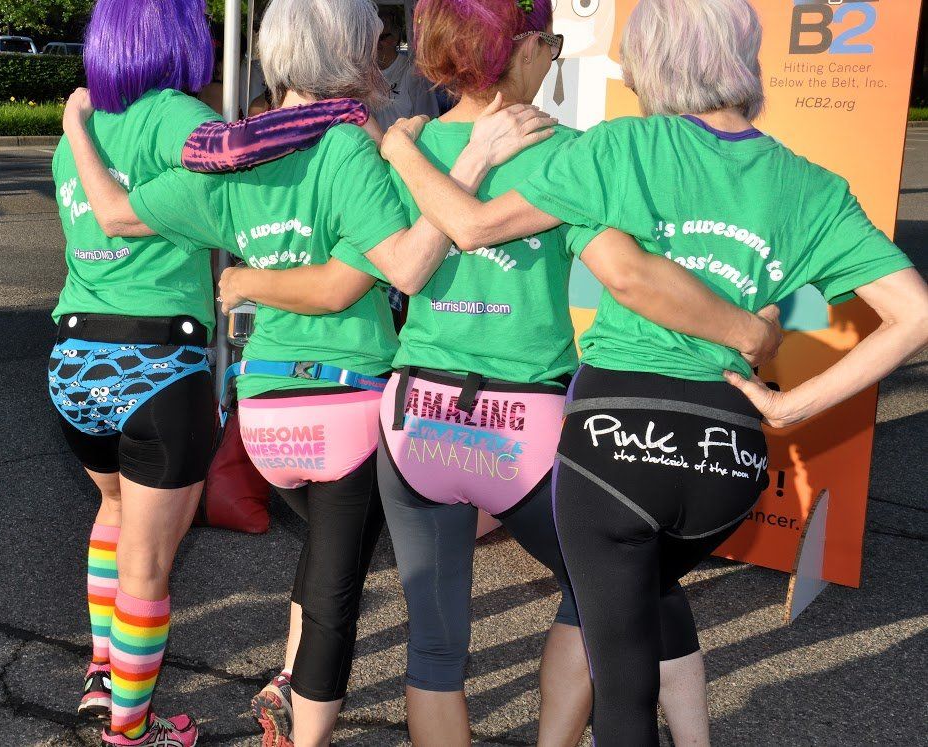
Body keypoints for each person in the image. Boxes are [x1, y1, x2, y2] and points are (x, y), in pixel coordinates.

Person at [218, 1, 780, 745]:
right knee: (610, 593)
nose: (553, 54)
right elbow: (635, 274)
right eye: (546, 40)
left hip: (416, 419)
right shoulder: (569, 150)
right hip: (527, 430)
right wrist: (745, 329)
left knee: (435, 651)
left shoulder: (403, 144)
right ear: (511, 51)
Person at [380, 0, 928, 743]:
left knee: (624, 691)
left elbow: (474, 229)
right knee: (647, 600)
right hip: (727, 458)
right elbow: (915, 315)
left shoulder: (618, 149)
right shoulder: (814, 187)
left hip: (612, 448)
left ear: (654, 60)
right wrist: (793, 404)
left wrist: (403, 152)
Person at [59, 2, 560, 744]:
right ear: (355, 49)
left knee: (318, 562)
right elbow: (408, 265)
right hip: (348, 408)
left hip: (263, 416)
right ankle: (301, 725)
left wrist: (74, 125)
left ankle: (278, 684)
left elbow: (115, 214)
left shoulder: (227, 162)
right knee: (334, 593)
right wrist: (460, 161)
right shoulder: (348, 151)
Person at [51, 1, 370, 745]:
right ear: (180, 39)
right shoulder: (166, 115)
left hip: (72, 361)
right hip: (155, 365)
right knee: (149, 566)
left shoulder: (85, 130)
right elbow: (231, 147)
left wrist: (71, 123)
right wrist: (333, 116)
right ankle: (131, 730)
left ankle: (105, 678)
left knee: (114, 518)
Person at [374, 9, 440, 131]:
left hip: (404, 145)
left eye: (381, 37)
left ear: (395, 38)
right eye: (373, 37)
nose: (376, 43)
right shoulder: (366, 73)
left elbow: (428, 119)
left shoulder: (413, 72)